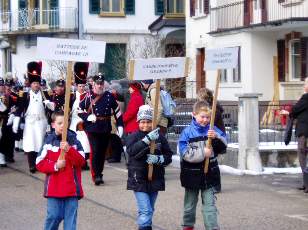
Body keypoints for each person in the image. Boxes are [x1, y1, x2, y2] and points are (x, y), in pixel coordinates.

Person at [178, 101, 227, 230]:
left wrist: (216, 137)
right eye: (202, 116)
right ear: (194, 115)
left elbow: (223, 148)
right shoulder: (187, 132)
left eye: (208, 117)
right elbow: (185, 153)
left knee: (210, 205)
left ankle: (212, 227)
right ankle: (188, 226)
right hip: (191, 174)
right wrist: (202, 153)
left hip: (209, 174)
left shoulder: (213, 130)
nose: (205, 120)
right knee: (190, 204)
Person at [126, 105, 173, 230]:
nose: (145, 125)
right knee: (146, 210)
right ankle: (144, 227)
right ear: (138, 122)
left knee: (150, 209)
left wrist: (159, 159)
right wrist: (146, 140)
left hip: (155, 178)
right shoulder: (133, 136)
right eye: (143, 122)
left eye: (148, 122)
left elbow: (168, 155)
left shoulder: (160, 137)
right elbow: (131, 151)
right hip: (138, 178)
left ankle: (146, 226)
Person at [36, 111, 85, 230]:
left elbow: (81, 161)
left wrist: (69, 149)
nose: (63, 125)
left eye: (65, 122)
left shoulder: (74, 141)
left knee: (70, 222)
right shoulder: (48, 141)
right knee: (53, 216)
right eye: (59, 123)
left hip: (71, 189)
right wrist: (55, 166)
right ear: (53, 125)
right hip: (54, 189)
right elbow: (39, 163)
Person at [78, 74, 124, 185]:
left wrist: (120, 125)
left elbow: (117, 112)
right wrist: (87, 117)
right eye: (97, 83)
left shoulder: (109, 96)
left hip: (105, 127)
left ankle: (100, 173)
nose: (99, 86)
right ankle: (96, 175)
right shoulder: (88, 96)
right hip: (92, 128)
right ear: (93, 84)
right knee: (95, 151)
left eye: (101, 83)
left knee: (102, 152)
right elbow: (79, 110)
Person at [14, 61, 53, 173]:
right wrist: (17, 120)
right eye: (34, 83)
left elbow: (52, 108)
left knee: (40, 144)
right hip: (30, 123)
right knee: (31, 144)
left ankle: (38, 163)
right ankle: (31, 165)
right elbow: (20, 108)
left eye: (37, 83)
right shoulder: (25, 95)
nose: (36, 85)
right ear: (30, 84)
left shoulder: (45, 94)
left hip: (42, 122)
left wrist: (50, 105)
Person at [197, 88, 226, 193]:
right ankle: (208, 183)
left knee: (212, 162)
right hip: (210, 135)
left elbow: (209, 122)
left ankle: (216, 185)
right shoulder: (207, 107)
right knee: (207, 161)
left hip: (215, 137)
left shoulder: (213, 109)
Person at [284, 77, 308, 193]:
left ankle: (306, 184)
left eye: (305, 84)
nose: (304, 86)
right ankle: (305, 184)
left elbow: (294, 110)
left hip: (304, 133)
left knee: (302, 157)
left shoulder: (306, 97)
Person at [70, 62, 91, 170]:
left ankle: (84, 162)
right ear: (76, 86)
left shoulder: (88, 97)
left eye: (83, 86)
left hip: (84, 123)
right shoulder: (72, 96)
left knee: (85, 144)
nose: (81, 88)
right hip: (73, 122)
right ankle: (75, 162)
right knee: (74, 143)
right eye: (80, 86)